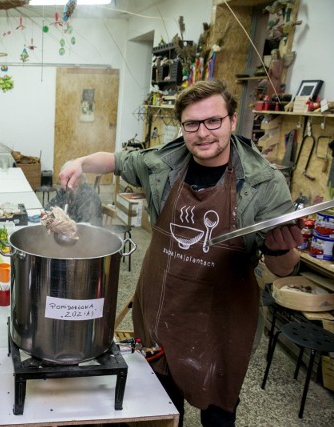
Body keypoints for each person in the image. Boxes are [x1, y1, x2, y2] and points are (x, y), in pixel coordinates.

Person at [59, 80, 302, 426]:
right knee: (159, 409)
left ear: (233, 121)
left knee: (218, 416)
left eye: (213, 121)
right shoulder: (164, 163)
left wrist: (281, 249)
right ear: (182, 126)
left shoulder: (264, 183)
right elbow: (114, 160)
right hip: (161, 310)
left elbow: (284, 269)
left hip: (220, 324)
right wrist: (80, 161)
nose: (203, 133)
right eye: (192, 124)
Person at [45, 162, 102, 226]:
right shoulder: (64, 190)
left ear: (81, 178)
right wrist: (51, 216)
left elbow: (83, 224)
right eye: (66, 177)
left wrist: (61, 220)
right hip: (68, 231)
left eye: (72, 177)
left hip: (88, 232)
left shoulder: (88, 195)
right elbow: (49, 208)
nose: (68, 180)